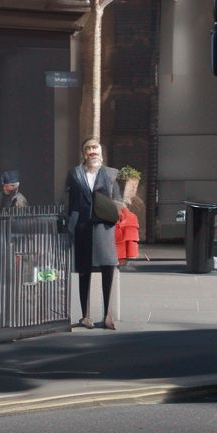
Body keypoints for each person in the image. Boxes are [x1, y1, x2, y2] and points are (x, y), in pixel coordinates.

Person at [64, 138, 123, 330]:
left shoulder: (111, 174)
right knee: (84, 272)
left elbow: (118, 201)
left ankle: (107, 315)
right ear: (83, 153)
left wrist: (115, 213)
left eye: (95, 148)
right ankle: (85, 316)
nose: (92, 151)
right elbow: (69, 201)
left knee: (108, 269)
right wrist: (69, 227)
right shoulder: (75, 173)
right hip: (82, 227)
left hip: (104, 228)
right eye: (88, 148)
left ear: (101, 152)